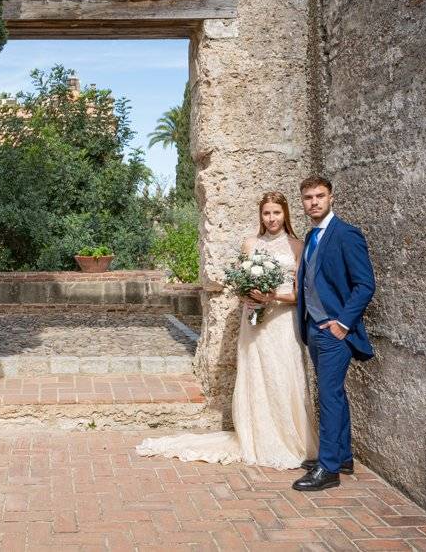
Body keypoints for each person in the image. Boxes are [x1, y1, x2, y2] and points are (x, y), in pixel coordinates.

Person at [137, 192, 318, 469]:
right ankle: (259, 437)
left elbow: (300, 295)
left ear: (285, 215)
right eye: (266, 213)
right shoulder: (250, 244)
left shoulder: (298, 246)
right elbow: (241, 283)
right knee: (258, 374)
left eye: (276, 213)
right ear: (261, 216)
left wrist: (273, 298)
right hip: (255, 322)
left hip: (283, 322)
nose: (271, 219)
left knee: (285, 374)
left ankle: (290, 438)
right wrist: (248, 296)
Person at [292, 176, 376, 491]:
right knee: (334, 394)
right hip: (312, 327)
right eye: (308, 197)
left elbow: (365, 284)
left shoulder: (346, 234)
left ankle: (328, 470)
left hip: (334, 331)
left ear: (331, 198)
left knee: (328, 396)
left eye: (319, 196)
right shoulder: (311, 235)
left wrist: (342, 323)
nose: (313, 202)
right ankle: (341, 456)